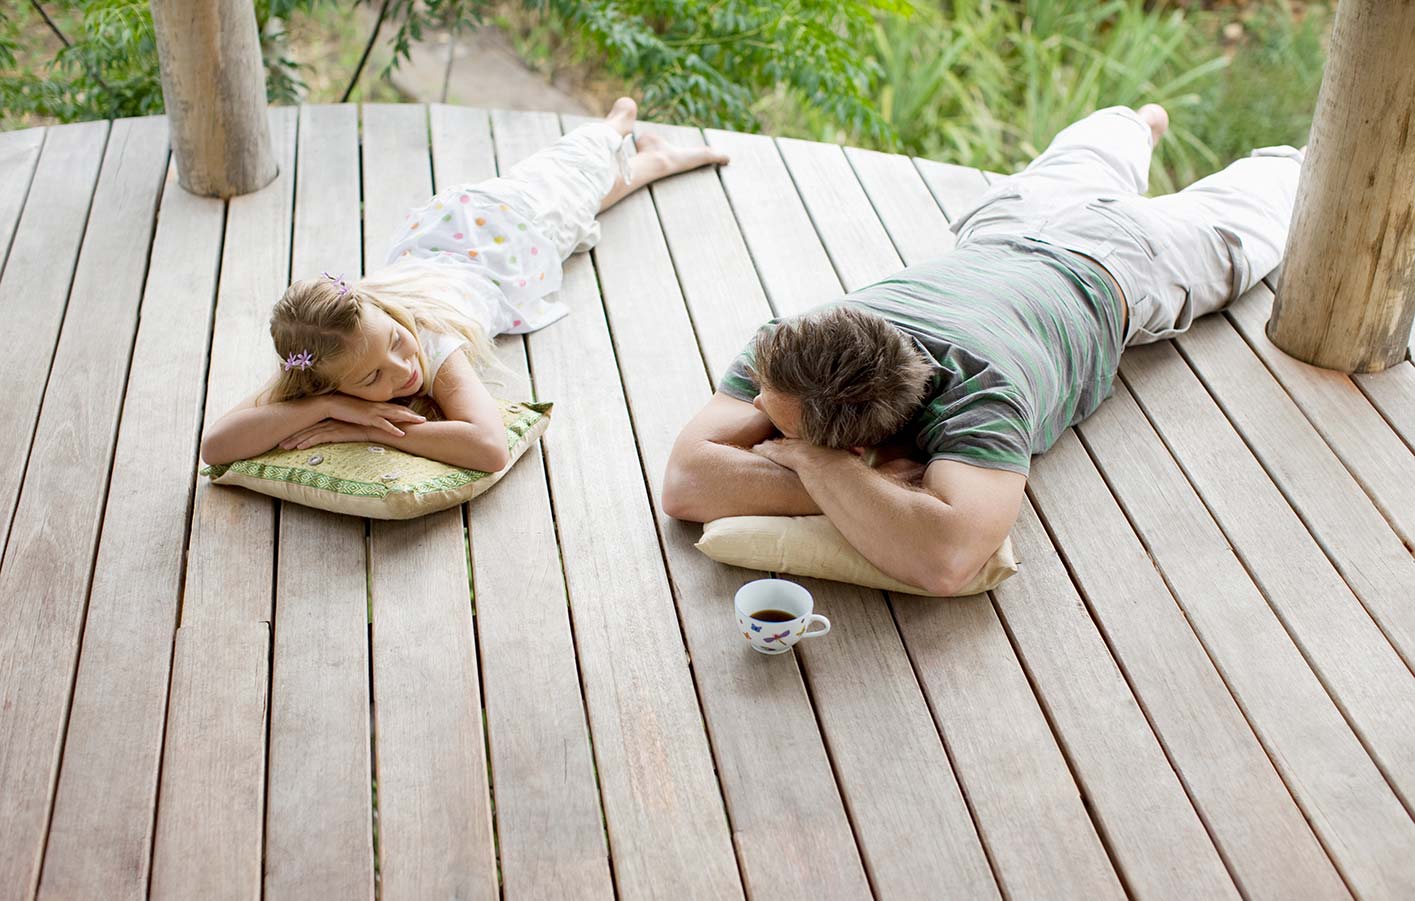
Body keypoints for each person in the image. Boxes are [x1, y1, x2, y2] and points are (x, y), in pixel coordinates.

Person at [662, 104, 1303, 595]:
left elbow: (945, 558)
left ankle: (1169, 132)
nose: (759, 418)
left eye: (776, 423)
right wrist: (862, 482)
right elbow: (688, 482)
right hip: (1014, 220)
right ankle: (1141, 122)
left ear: (859, 443)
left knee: (1288, 179)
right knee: (1108, 137)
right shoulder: (797, 347)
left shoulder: (979, 398)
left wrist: (822, 468)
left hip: (1132, 255)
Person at [201, 97, 728, 472]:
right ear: (326, 384)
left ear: (382, 312)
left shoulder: (427, 338)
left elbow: (488, 446)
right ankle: (655, 159)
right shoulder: (322, 363)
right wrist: (325, 409)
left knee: (568, 176)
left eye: (394, 344)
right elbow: (216, 446)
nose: (405, 369)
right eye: (370, 381)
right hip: (469, 250)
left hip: (499, 231)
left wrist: (366, 425)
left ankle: (615, 124)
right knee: (582, 206)